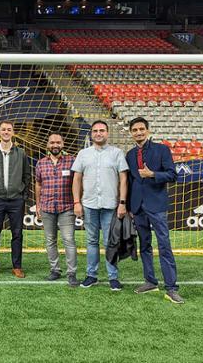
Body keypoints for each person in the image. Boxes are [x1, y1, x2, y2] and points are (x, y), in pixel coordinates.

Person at [126, 116, 183, 304]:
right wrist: (128, 207)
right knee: (145, 246)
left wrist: (153, 174)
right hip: (138, 207)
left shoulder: (161, 150)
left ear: (148, 131)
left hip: (157, 206)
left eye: (141, 129)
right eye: (135, 130)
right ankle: (150, 281)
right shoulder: (130, 155)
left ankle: (172, 288)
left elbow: (172, 174)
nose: (138, 132)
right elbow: (130, 182)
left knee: (164, 245)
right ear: (131, 133)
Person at [71, 120, 128, 291]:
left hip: (110, 205)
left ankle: (113, 277)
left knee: (110, 242)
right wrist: (76, 202)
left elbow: (123, 179)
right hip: (89, 204)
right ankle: (91, 275)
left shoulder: (117, 153)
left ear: (107, 133)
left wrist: (122, 203)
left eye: (102, 130)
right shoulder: (83, 154)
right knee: (91, 241)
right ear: (91, 134)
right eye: (95, 130)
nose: (98, 133)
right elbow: (77, 179)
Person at [0, 121, 31, 278]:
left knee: (17, 234)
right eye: (3, 129)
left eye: (9, 130)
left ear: (13, 132)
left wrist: (22, 195)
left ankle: (17, 266)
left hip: (16, 200)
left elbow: (26, 175)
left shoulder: (21, 153)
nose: (6, 132)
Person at [35, 132, 79, 286]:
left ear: (63, 144)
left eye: (58, 142)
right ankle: (55, 270)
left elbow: (77, 182)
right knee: (50, 240)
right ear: (48, 145)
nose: (55, 145)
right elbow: (38, 184)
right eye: (52, 142)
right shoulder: (41, 163)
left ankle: (72, 272)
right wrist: (38, 205)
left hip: (66, 207)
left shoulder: (72, 161)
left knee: (68, 240)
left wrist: (77, 202)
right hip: (47, 207)